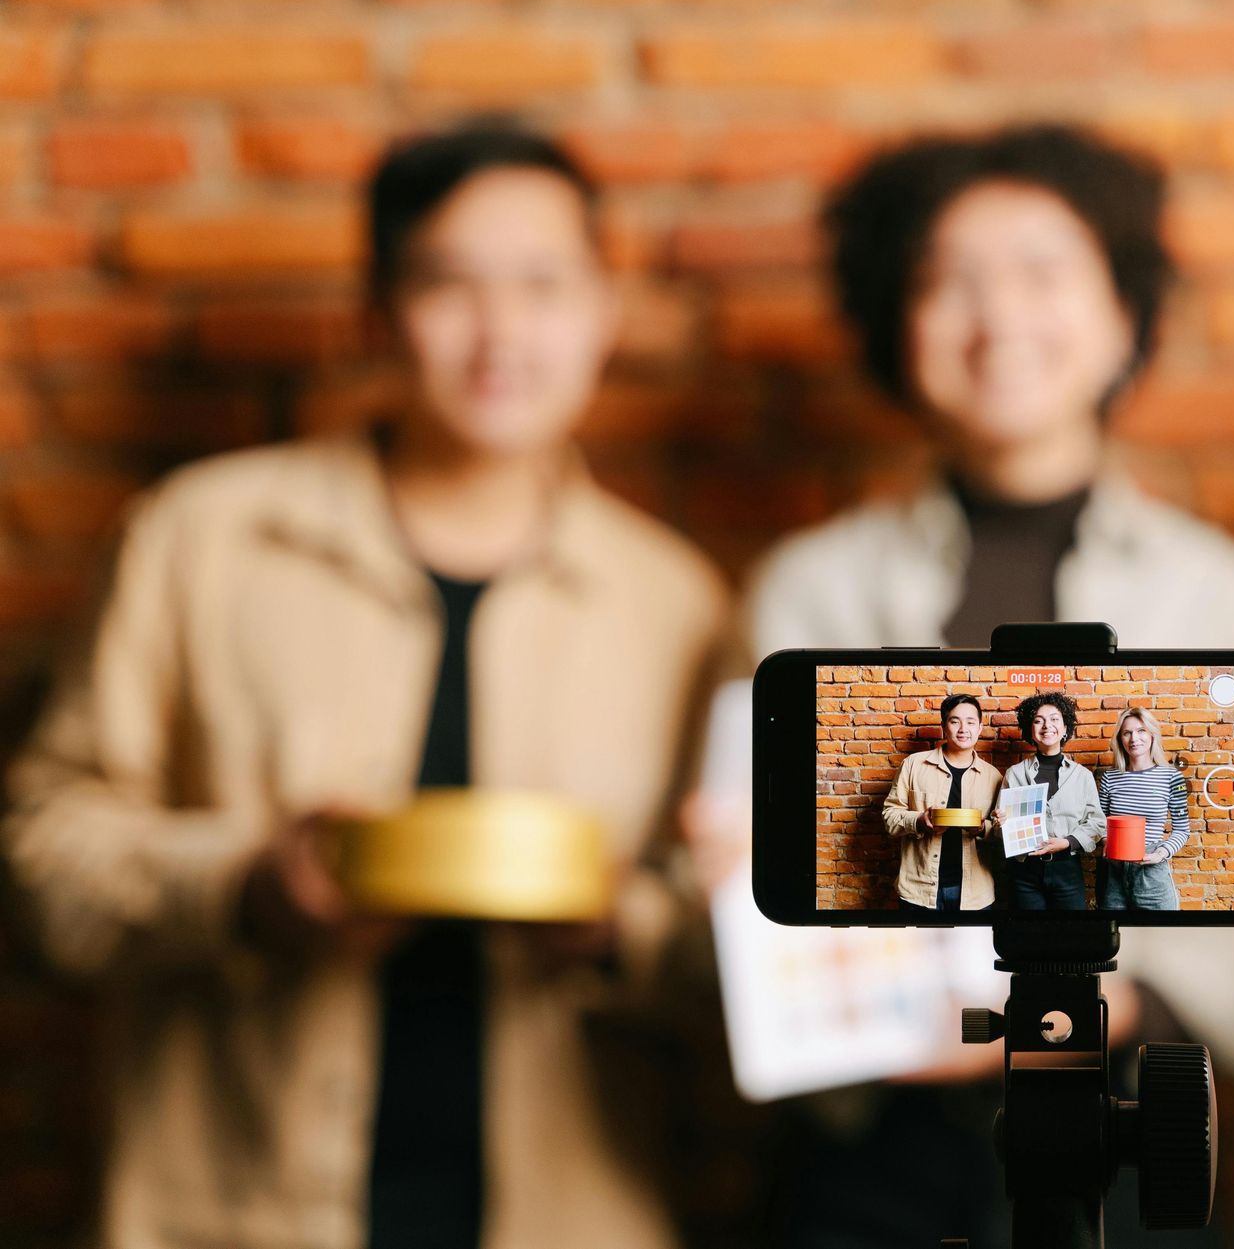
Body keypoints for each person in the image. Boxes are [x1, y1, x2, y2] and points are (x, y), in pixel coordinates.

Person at [1, 119, 729, 1249]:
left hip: (572, 1215)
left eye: (543, 286)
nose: (501, 334)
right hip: (226, 1210)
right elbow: (43, 855)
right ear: (376, 313)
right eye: (450, 285)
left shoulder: (677, 604)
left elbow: (726, 950)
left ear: (603, 314)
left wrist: (614, 929)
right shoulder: (198, 539)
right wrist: (249, 888)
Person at [740, 123, 1234, 1249]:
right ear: (895, 323)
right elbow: (737, 884)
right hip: (864, 1153)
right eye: (950, 282)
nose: (1000, 319)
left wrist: (1115, 1007)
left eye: (1043, 273)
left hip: (1124, 1131)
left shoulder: (1229, 601)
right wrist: (730, 883)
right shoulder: (807, 593)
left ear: (1124, 315)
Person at [880, 691, 1003, 910]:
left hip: (975, 894)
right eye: (955, 721)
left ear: (980, 728)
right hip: (919, 890)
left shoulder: (994, 777)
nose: (963, 729)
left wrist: (983, 828)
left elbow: (1001, 833)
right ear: (944, 726)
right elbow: (889, 817)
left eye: (970, 722)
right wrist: (919, 821)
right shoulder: (913, 765)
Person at [995, 690, 1102, 910]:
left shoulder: (1082, 776)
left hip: (1067, 869)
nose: (1047, 726)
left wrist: (1068, 842)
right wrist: (1000, 823)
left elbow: (1097, 823)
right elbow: (999, 829)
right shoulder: (1014, 774)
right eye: (1038, 720)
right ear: (1030, 730)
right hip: (1025, 871)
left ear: (1065, 728)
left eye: (1054, 719)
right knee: (1030, 936)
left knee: (1070, 935)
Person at [1098, 706, 1189, 912]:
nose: (1134, 738)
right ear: (1120, 739)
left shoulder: (1171, 778)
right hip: (1114, 872)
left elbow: (1182, 830)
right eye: (1127, 733)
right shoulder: (1110, 778)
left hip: (1152, 871)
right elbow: (1099, 822)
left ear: (1152, 735)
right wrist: (1105, 840)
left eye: (1141, 731)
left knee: (1161, 935)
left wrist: (1162, 853)